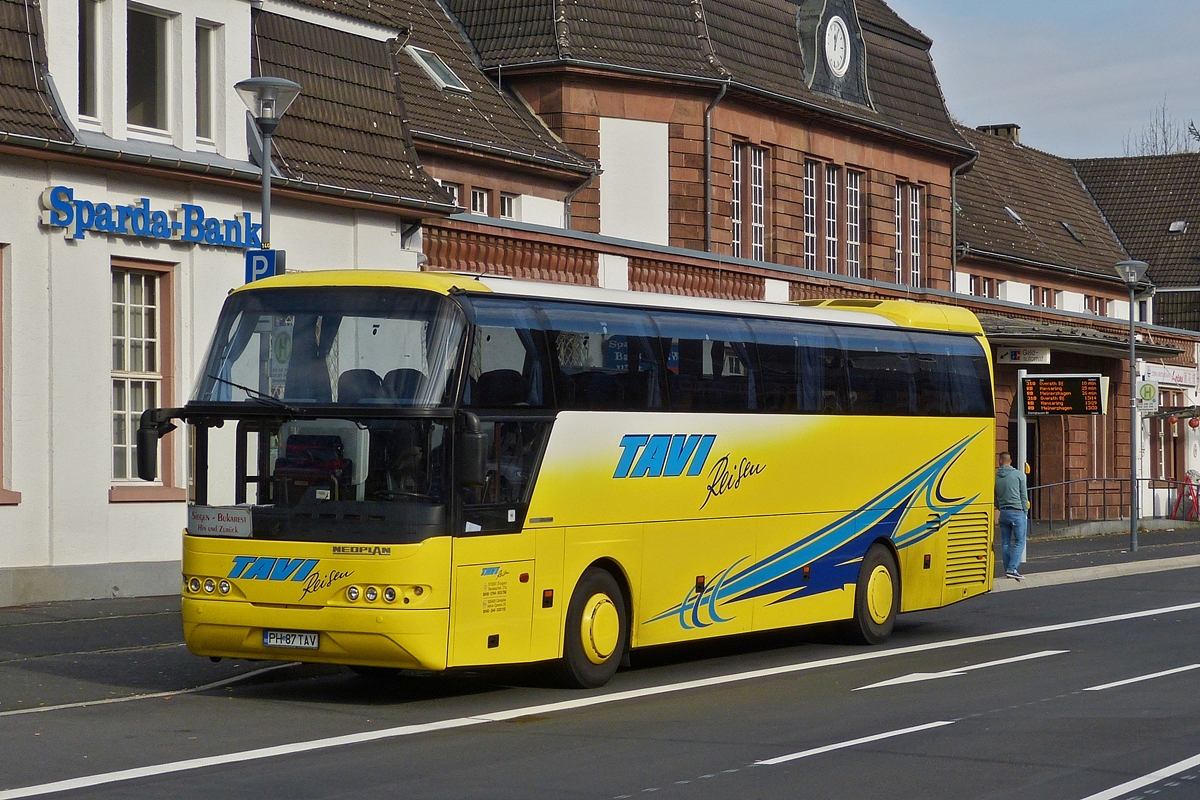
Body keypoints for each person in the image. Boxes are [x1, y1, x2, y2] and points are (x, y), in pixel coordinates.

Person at [995, 452, 1029, 579]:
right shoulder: (1019, 475)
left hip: (1003, 512)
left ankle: (1008, 569)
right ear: (1011, 461)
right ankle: (1012, 568)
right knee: (1020, 541)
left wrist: (1000, 507)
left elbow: (994, 496)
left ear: (1000, 461)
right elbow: (1023, 496)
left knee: (1005, 542)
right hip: (1017, 511)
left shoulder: (996, 477)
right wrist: (1025, 512)